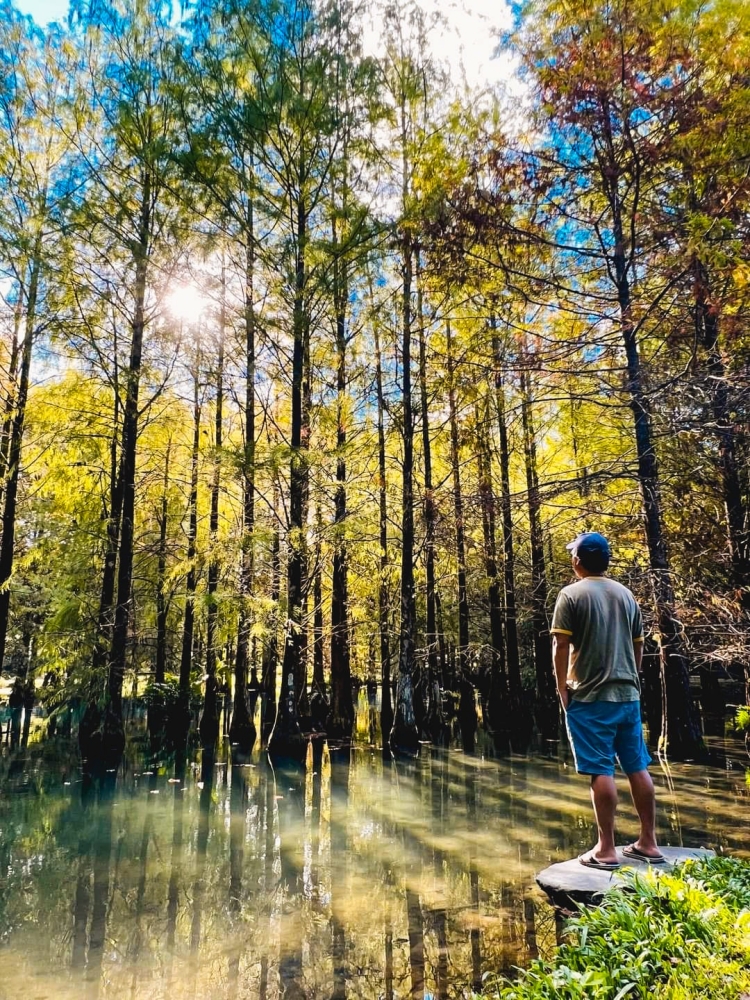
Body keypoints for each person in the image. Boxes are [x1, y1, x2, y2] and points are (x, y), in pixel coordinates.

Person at [551, 531, 665, 869]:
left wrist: (561, 688)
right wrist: (633, 676)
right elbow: (639, 644)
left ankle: (606, 850)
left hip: (589, 695)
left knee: (600, 770)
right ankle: (648, 842)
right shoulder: (626, 595)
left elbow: (559, 646)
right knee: (636, 765)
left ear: (578, 561)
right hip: (627, 695)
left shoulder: (570, 595)